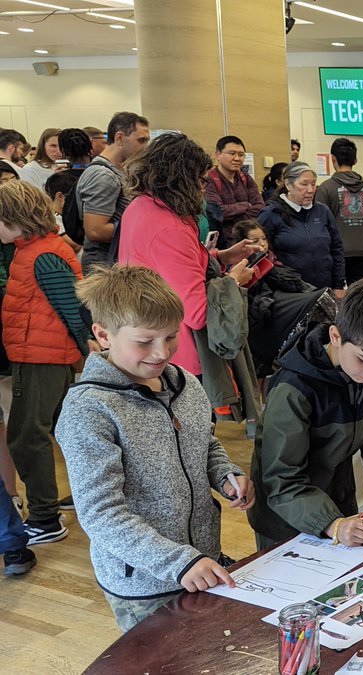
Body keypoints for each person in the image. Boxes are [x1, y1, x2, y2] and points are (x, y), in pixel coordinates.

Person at [56, 265, 254, 632]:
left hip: (199, 562)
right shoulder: (89, 410)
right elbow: (101, 515)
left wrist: (226, 474)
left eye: (170, 336)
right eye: (145, 341)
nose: (162, 352)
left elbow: (203, 442)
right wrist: (178, 561)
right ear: (104, 335)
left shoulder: (185, 386)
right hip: (145, 585)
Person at [247, 276, 363, 550]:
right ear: (336, 336)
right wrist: (332, 524)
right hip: (284, 520)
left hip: (335, 501)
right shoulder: (293, 389)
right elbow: (282, 481)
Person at [118, 132, 256, 377]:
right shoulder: (170, 227)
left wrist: (222, 256)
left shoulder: (140, 206)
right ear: (183, 179)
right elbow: (198, 313)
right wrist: (234, 282)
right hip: (178, 355)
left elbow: (168, 268)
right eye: (202, 181)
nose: (204, 188)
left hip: (147, 336)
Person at [0, 180, 92, 545]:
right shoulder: (34, 249)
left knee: (26, 438)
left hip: (42, 359)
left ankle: (44, 518)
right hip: (36, 355)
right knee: (53, 433)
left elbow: (73, 309)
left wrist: (90, 355)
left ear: (16, 219)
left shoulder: (44, 254)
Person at [76, 111, 150, 271]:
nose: (145, 147)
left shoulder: (117, 171)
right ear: (119, 138)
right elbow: (95, 231)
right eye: (141, 141)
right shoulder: (104, 175)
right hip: (104, 267)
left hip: (114, 262)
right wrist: (145, 228)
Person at [258, 162, 346, 294]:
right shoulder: (271, 214)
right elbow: (262, 254)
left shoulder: (322, 211)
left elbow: (337, 249)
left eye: (313, 184)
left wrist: (339, 284)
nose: (310, 190)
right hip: (290, 292)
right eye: (304, 184)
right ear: (288, 185)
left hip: (325, 288)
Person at [315, 138, 363, 286]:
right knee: (359, 299)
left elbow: (319, 224)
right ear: (355, 160)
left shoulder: (325, 188)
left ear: (333, 159)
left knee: (334, 297)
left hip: (336, 253)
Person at [204, 135, 264, 244]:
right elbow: (218, 212)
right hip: (224, 243)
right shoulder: (209, 180)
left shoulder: (246, 178)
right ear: (218, 154)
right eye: (232, 154)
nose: (237, 158)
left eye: (241, 155)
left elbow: (260, 207)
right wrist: (246, 205)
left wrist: (232, 215)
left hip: (250, 240)